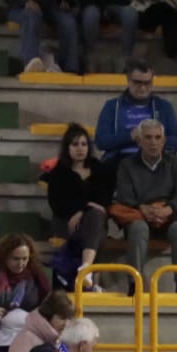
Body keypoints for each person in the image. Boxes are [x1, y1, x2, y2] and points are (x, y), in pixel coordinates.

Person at [111, 119, 177, 293]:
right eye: (148, 137)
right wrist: (143, 208)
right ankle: (135, 284)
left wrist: (167, 209)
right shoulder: (127, 165)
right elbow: (124, 196)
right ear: (139, 141)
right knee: (138, 228)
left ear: (164, 141)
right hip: (139, 213)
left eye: (158, 137)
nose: (153, 142)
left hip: (168, 214)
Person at [43, 124, 116, 291]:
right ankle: (89, 276)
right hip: (66, 221)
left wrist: (82, 211)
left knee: (95, 218)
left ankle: (85, 269)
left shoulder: (99, 169)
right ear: (67, 147)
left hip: (92, 221)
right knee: (96, 226)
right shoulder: (59, 172)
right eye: (75, 144)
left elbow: (105, 200)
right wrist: (81, 209)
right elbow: (57, 203)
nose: (80, 149)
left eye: (84, 144)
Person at [94, 61, 177, 160]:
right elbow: (101, 141)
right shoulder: (112, 106)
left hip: (155, 160)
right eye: (137, 82)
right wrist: (130, 136)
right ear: (128, 80)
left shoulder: (163, 106)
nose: (143, 87)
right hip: (121, 160)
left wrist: (152, 138)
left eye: (147, 82)